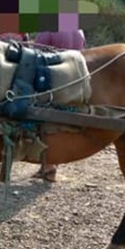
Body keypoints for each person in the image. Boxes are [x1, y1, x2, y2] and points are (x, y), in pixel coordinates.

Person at [31, 27, 87, 182]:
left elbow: (36, 53)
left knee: (47, 122)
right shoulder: (78, 31)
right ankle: (49, 165)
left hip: (53, 78)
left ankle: (49, 167)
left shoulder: (48, 30)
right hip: (74, 79)